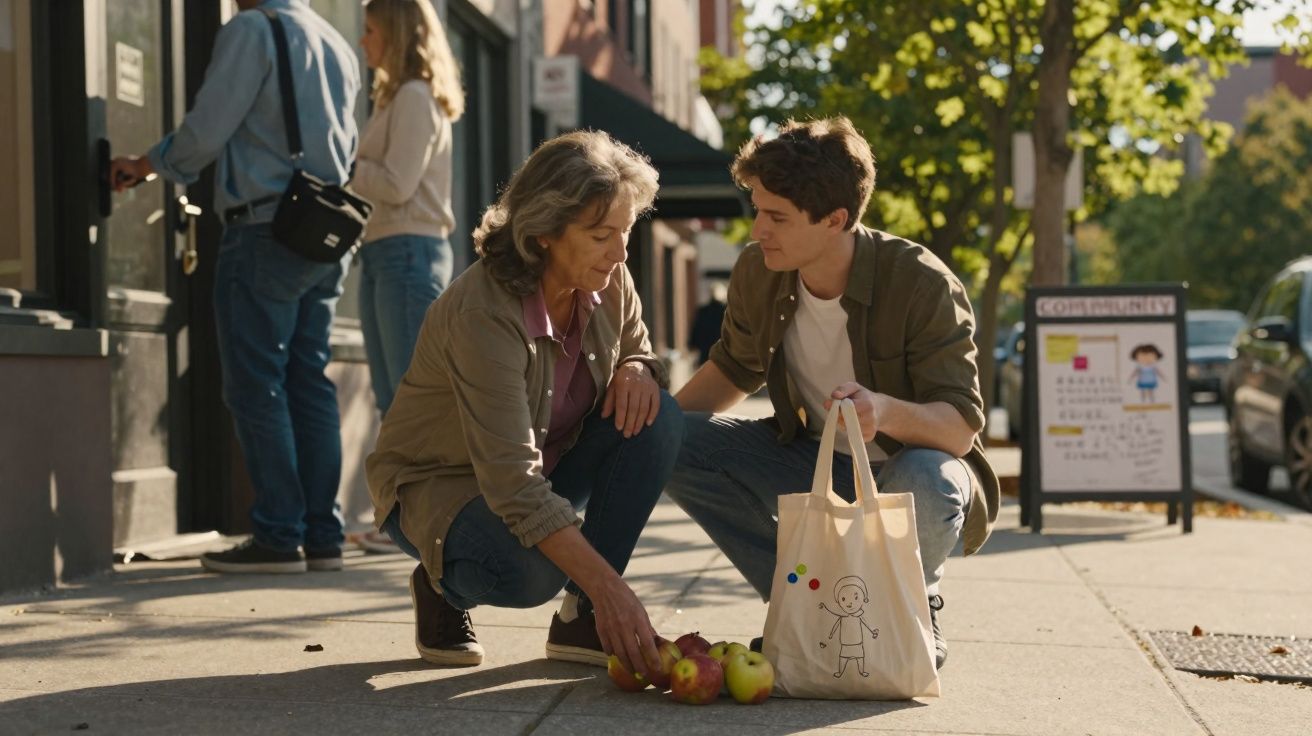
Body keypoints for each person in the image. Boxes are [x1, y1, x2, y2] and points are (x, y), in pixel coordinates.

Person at [665, 117, 1000, 670]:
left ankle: (913, 608)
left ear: (835, 219)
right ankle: (810, 605)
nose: (757, 231)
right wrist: (652, 435)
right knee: (675, 441)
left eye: (776, 217)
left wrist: (883, 410)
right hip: (809, 460)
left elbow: (960, 427)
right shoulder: (760, 270)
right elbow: (733, 368)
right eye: (758, 211)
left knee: (929, 477)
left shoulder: (922, 282)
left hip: (902, 472)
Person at [365, 131, 684, 676]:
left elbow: (640, 348)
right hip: (439, 486)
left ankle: (581, 619)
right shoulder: (483, 314)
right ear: (542, 236)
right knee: (531, 572)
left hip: (541, 468)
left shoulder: (608, 277)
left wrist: (637, 368)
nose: (621, 252)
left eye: (626, 232)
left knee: (658, 418)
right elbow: (513, 484)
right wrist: (612, 587)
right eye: (602, 234)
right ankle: (442, 581)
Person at [110, 0, 360, 574]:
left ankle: (277, 535)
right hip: (323, 230)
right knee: (308, 379)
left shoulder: (251, 30)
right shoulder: (334, 41)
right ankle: (322, 536)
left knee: (255, 384)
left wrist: (145, 165)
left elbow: (206, 130)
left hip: (264, 228)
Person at [351, 0, 463, 554]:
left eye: (371, 30)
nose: (363, 41)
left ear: (395, 34)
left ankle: (412, 522)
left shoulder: (416, 97)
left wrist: (344, 162)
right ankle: (397, 519)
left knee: (407, 401)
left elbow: (395, 185)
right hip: (386, 253)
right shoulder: (398, 97)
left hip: (407, 253)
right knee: (390, 398)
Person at [688, 281, 727, 366]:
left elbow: (696, 330)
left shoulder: (703, 311)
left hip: (705, 353)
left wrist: (692, 345)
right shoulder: (726, 311)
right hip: (723, 353)